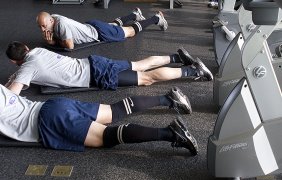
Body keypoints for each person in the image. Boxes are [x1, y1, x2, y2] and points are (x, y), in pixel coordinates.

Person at [0, 84, 198, 155]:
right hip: (51, 105)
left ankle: (170, 133)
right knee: (115, 110)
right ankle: (167, 99)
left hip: (48, 121)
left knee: (106, 136)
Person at [5, 41, 213, 95]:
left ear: (15, 62)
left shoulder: (26, 70)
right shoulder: (38, 51)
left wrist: (12, 82)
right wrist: (17, 75)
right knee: (139, 64)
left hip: (96, 74)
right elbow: (24, 71)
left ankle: (193, 71)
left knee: (146, 78)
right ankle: (176, 57)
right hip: (94, 62)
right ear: (27, 48)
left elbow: (11, 96)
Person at [36, 9, 168, 49]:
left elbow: (69, 47)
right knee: (114, 25)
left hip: (98, 33)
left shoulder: (60, 25)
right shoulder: (53, 17)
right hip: (92, 25)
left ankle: (156, 18)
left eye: (44, 25)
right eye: (40, 26)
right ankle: (135, 15)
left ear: (51, 21)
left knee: (129, 32)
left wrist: (52, 42)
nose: (43, 29)